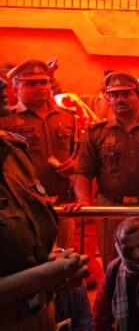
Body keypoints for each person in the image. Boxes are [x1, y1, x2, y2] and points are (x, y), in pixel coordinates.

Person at [0, 77, 90, 330]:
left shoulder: (14, 152)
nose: (1, 84)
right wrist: (44, 275)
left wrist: (54, 261)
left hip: (41, 316)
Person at [66, 72, 139, 266]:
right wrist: (84, 201)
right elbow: (84, 172)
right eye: (114, 95)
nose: (120, 99)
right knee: (113, 264)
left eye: (126, 94)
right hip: (111, 208)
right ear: (108, 99)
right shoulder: (97, 132)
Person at [0, 60, 80, 249]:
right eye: (31, 83)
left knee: (64, 260)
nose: (40, 87)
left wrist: (75, 165)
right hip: (25, 208)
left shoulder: (67, 117)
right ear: (16, 88)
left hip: (63, 205)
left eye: (43, 82)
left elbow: (80, 154)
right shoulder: (6, 120)